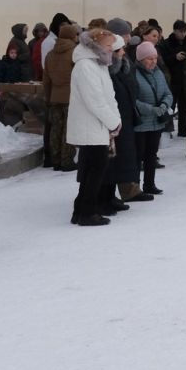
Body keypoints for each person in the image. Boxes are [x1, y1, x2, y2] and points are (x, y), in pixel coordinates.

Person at [67, 27, 122, 225]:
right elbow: (95, 100)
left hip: (98, 126)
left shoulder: (99, 65)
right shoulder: (85, 66)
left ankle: (80, 210)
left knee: (94, 170)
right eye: (108, 46)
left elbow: (109, 96)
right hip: (90, 127)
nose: (111, 50)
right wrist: (113, 121)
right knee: (94, 171)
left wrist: (115, 119)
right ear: (97, 45)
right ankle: (86, 212)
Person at [130, 41, 174, 195]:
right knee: (137, 156)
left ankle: (150, 184)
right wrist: (151, 110)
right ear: (141, 59)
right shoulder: (133, 73)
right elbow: (132, 99)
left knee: (151, 155)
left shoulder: (158, 72)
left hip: (157, 122)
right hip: (141, 123)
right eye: (149, 58)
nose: (153, 61)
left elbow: (168, 93)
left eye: (155, 58)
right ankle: (134, 187)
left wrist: (163, 105)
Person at [106, 37, 144, 200]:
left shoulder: (124, 67)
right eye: (119, 49)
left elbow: (132, 87)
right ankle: (109, 195)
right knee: (114, 159)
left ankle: (129, 190)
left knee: (126, 156)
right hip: (114, 120)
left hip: (126, 117)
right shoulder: (108, 71)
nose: (124, 52)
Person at [41, 23, 79, 171]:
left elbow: (46, 80)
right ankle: (66, 160)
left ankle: (55, 159)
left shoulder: (51, 54)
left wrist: (49, 97)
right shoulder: (75, 53)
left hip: (55, 96)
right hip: (72, 97)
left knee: (55, 129)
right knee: (69, 129)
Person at [158, 21, 186, 138]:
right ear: (175, 31)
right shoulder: (166, 44)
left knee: (184, 107)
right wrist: (175, 57)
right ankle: (167, 130)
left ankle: (182, 131)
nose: (183, 34)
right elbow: (163, 61)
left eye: (184, 32)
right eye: (180, 32)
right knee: (170, 106)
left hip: (185, 79)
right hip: (172, 79)